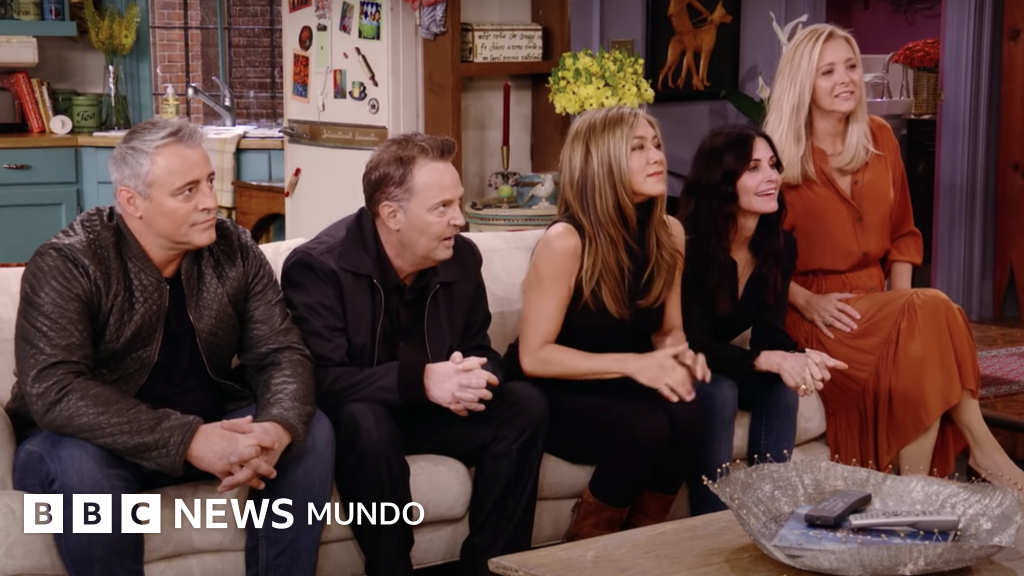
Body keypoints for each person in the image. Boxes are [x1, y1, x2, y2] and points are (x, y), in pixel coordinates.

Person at [7, 117, 334, 575]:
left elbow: (281, 352)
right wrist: (187, 440)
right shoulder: (69, 261)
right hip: (86, 441)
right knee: (83, 469)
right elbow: (55, 389)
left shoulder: (234, 248)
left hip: (207, 423)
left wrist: (277, 427)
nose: (210, 202)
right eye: (187, 191)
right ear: (132, 202)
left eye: (210, 182)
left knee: (309, 429)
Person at [763, 23, 1024, 490]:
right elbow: (754, 257)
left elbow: (904, 233)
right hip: (818, 314)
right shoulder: (776, 160)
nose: (846, 79)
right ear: (803, 83)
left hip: (878, 302)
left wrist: (901, 308)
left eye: (850, 66)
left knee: (926, 318)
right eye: (828, 71)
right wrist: (805, 301)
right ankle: (975, 457)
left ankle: (913, 490)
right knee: (933, 312)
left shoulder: (879, 137)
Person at [280, 132, 548, 576]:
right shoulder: (319, 267)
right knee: (366, 420)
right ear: (392, 215)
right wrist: (421, 380)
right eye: (442, 207)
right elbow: (320, 380)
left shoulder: (461, 258)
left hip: (433, 415)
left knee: (525, 405)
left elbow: (480, 348)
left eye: (457, 202)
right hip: (362, 426)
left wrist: (473, 377)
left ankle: (493, 568)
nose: (460, 220)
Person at [504, 105, 712, 541]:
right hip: (555, 386)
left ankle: (637, 547)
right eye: (637, 148)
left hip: (619, 379)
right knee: (645, 428)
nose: (657, 156)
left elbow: (667, 330)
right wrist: (636, 365)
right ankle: (583, 552)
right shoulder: (566, 241)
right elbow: (534, 356)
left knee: (692, 414)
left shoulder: (669, 233)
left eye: (656, 145)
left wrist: (679, 356)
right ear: (601, 162)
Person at [678, 125, 848, 513]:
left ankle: (770, 513)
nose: (771, 177)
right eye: (753, 168)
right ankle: (709, 521)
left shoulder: (779, 245)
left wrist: (799, 357)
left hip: (725, 362)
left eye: (773, 165)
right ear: (723, 181)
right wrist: (766, 359)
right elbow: (694, 343)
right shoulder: (688, 246)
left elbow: (769, 331)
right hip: (683, 364)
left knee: (781, 386)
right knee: (721, 392)